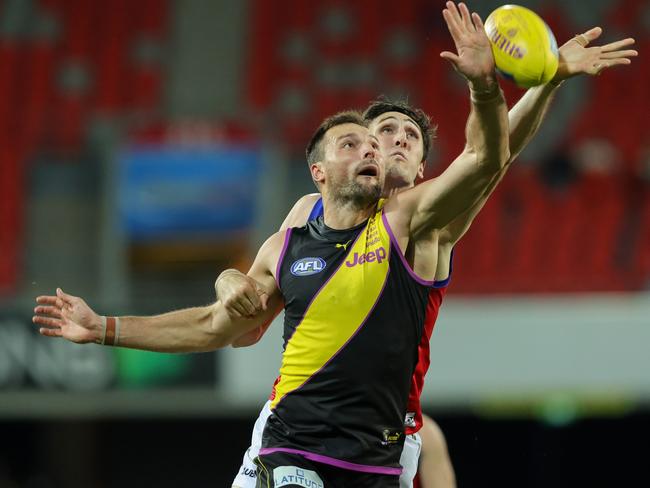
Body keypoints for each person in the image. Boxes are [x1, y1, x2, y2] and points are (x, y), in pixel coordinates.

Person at [34, 3, 509, 486]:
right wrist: (105, 327)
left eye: (378, 142)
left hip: (376, 461)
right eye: (354, 142)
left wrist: (497, 84)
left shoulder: (407, 222)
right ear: (318, 172)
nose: (372, 147)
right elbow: (220, 326)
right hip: (290, 447)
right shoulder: (294, 234)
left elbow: (487, 159)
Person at [223, 22, 637, 488]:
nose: (399, 138)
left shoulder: (428, 224)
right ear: (361, 149)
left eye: (410, 136)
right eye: (385, 131)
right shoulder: (310, 212)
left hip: (386, 439)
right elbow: (252, 309)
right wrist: (228, 283)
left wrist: (546, 82)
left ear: (422, 169)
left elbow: (491, 158)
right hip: (293, 430)